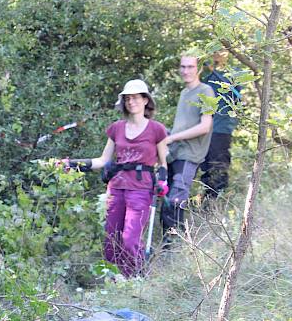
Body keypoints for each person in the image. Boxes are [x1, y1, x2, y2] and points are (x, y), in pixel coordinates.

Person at [62, 79, 169, 276]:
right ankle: (113, 283)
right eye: (127, 98)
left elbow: (163, 163)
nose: (131, 102)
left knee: (130, 240)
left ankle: (136, 278)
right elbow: (103, 161)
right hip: (116, 188)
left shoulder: (157, 129)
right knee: (111, 240)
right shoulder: (116, 128)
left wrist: (162, 181)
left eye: (135, 97)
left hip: (141, 189)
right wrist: (72, 164)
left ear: (145, 100)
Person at [160, 52, 215, 244]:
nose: (186, 71)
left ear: (198, 68)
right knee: (166, 201)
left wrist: (173, 137)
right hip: (174, 154)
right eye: (183, 67)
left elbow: (205, 126)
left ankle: (175, 248)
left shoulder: (206, 91)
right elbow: (181, 125)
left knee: (176, 200)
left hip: (190, 155)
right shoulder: (184, 93)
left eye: (190, 67)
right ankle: (166, 247)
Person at [200, 50, 242, 200]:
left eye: (222, 51)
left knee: (219, 165)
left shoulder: (234, 73)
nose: (218, 55)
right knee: (207, 166)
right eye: (215, 52)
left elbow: (238, 99)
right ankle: (207, 201)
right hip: (206, 129)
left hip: (222, 129)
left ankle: (218, 201)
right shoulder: (208, 77)